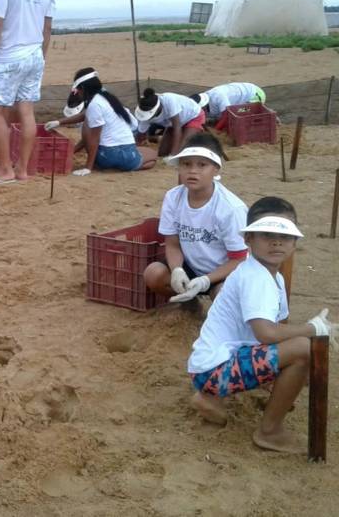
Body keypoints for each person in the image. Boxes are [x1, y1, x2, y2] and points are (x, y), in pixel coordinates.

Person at [187, 197, 335, 453]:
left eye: (284, 235)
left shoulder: (266, 274)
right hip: (213, 370)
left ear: (294, 242)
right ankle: (269, 431)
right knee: (303, 348)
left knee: (298, 351)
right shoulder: (257, 278)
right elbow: (266, 333)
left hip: (216, 363)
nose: (276, 241)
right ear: (248, 239)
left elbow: (272, 330)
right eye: (266, 234)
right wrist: (312, 329)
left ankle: (211, 398)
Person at [144, 133, 248, 303]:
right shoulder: (173, 197)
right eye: (186, 164)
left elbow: (240, 259)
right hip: (190, 267)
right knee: (153, 274)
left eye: (202, 165)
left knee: (223, 295)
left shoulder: (231, 209)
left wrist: (206, 280)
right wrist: (177, 269)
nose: (193, 171)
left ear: (216, 169)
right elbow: (172, 243)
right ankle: (189, 303)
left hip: (223, 273)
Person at [0, 0, 55, 184]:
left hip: (8, 57)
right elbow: (47, 27)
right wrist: (42, 56)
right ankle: (22, 168)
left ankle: (5, 169)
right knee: (26, 111)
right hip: (34, 55)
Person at [44, 68, 156, 176]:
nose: (77, 92)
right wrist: (59, 122)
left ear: (83, 88)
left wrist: (88, 167)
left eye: (78, 89)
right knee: (152, 156)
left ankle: (105, 164)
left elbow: (94, 138)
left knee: (148, 155)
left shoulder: (94, 104)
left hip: (106, 155)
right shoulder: (103, 97)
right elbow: (85, 117)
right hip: (124, 152)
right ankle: (125, 165)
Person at [134, 88, 205, 158]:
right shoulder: (145, 116)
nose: (149, 118)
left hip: (193, 117)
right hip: (172, 124)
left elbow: (177, 128)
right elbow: (140, 134)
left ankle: (197, 140)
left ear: (157, 109)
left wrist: (173, 155)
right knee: (162, 153)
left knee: (181, 152)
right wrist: (135, 150)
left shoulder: (169, 101)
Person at [190, 82, 266, 131]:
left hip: (254, 94)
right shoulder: (203, 101)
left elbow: (227, 115)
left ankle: (266, 115)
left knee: (240, 116)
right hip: (241, 97)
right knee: (221, 118)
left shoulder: (218, 96)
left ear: (203, 105)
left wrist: (216, 131)